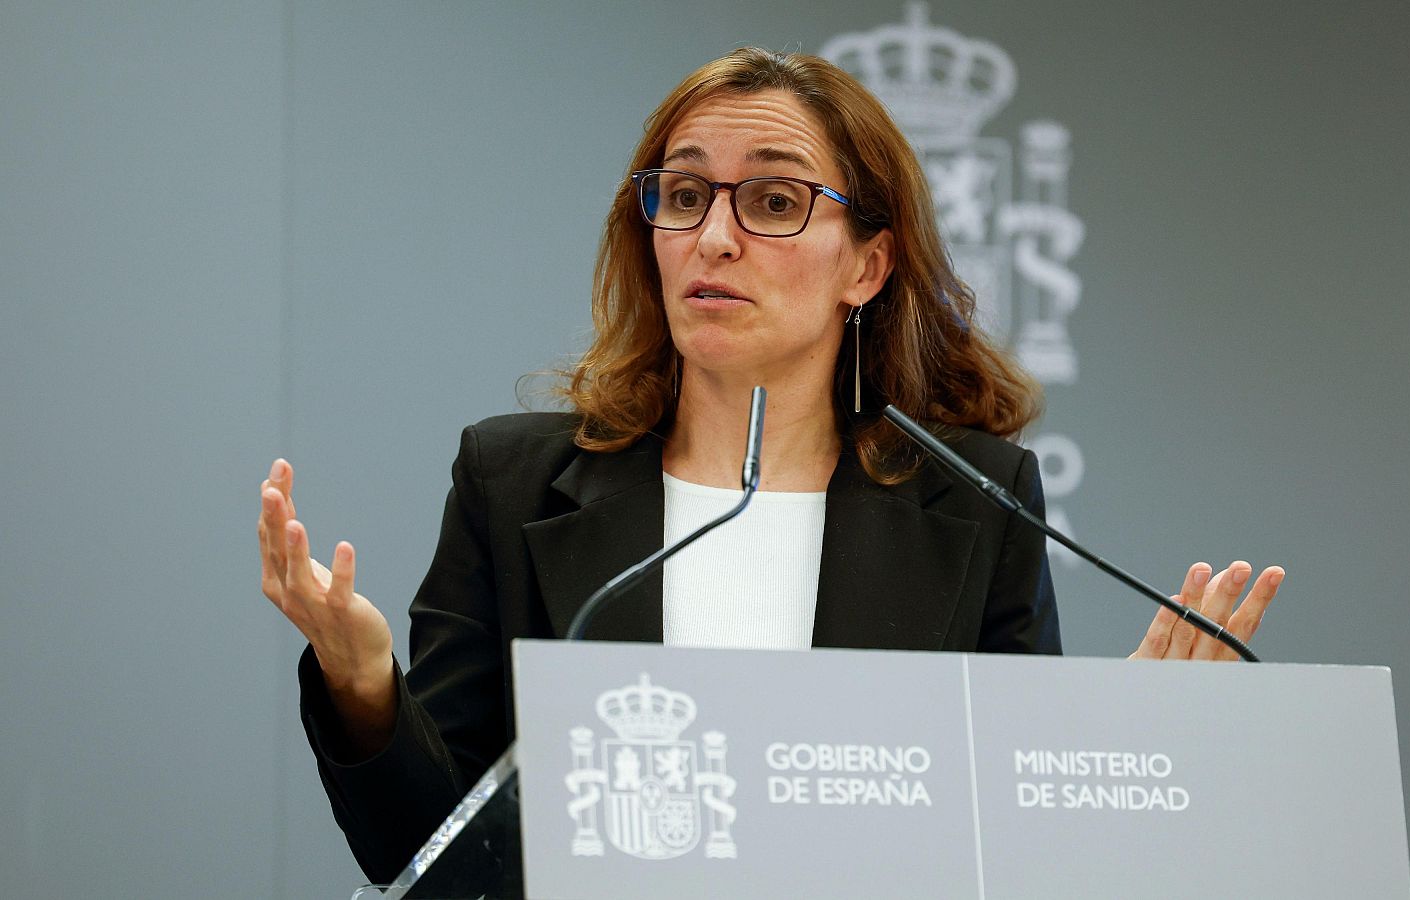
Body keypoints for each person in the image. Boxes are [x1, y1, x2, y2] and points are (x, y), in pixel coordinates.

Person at [255, 48, 1283, 882]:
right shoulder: (513, 481)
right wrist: (361, 684)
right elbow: (427, 859)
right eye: (686, 194)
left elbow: (1000, 852)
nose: (714, 238)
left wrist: (1125, 751)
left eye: (775, 203)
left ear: (868, 265)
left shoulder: (970, 499)